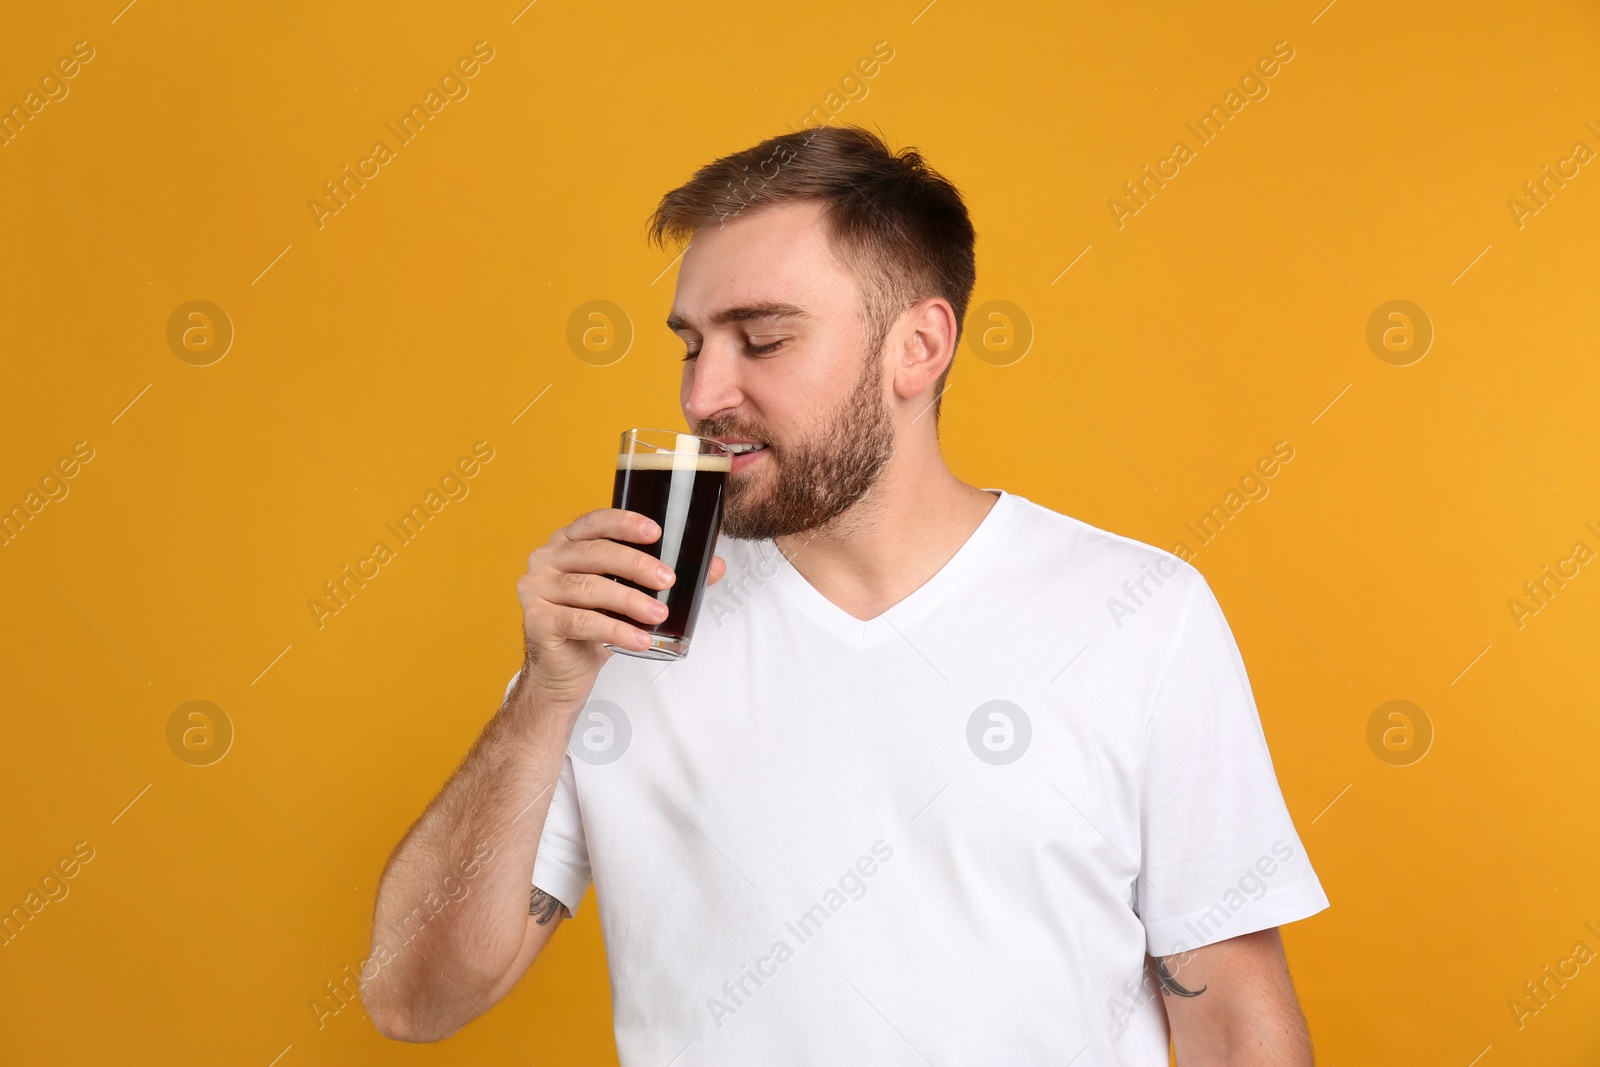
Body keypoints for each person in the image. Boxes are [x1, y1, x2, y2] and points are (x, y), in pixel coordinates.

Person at [362, 124, 1330, 1064]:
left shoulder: (1139, 613)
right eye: (692, 344)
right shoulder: (624, 628)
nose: (702, 396)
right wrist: (545, 693)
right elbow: (410, 997)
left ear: (917, 346)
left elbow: (1236, 1024)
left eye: (763, 339)